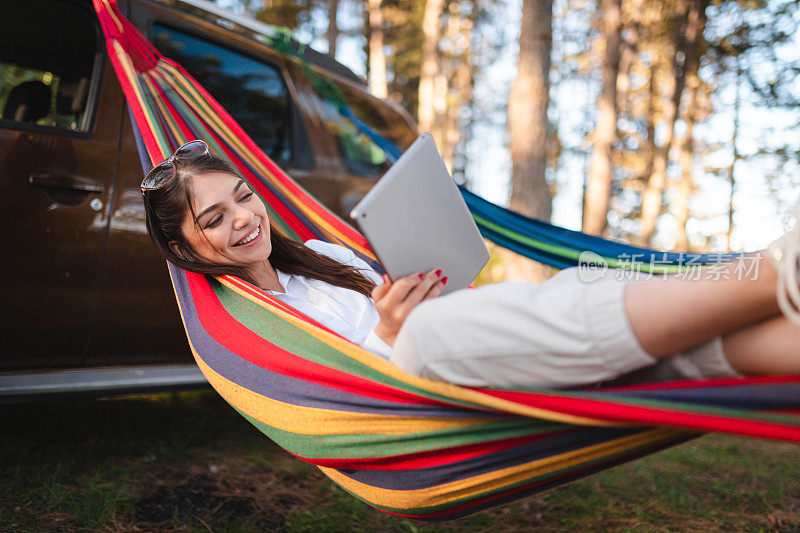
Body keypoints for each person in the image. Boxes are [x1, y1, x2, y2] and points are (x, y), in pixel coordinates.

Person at [141, 141, 800, 389]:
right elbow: (331, 384)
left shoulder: (326, 258)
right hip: (406, 392)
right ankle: (777, 269)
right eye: (214, 219)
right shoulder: (234, 322)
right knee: (429, 334)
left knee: (614, 318)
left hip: (469, 351)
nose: (244, 218)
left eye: (243, 196)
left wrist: (422, 292)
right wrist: (394, 333)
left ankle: (777, 295)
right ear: (184, 248)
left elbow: (402, 310)